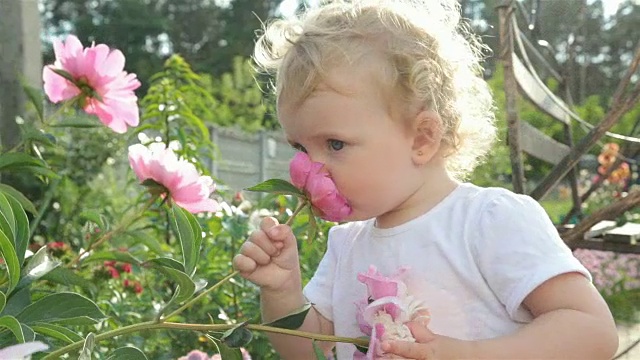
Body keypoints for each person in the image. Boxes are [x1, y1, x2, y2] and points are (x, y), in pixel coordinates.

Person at [232, 0, 619, 358]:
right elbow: (310, 352)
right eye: (299, 148)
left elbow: (591, 331)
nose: (309, 171)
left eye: (334, 144)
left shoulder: (488, 220)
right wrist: (282, 293)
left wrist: (464, 354)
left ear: (421, 138)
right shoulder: (346, 245)